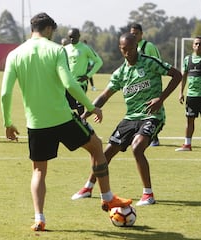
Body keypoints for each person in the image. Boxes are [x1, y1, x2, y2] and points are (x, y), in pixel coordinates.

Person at [0, 12, 132, 232]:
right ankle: (107, 198)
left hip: (36, 123)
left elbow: (5, 93)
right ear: (50, 29)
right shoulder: (56, 50)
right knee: (97, 147)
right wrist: (91, 107)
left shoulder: (15, 54)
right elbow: (69, 84)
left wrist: (8, 122)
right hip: (62, 119)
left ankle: (39, 218)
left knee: (39, 171)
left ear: (32, 28)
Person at [71, 33, 182, 206]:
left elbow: (177, 75)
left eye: (131, 49)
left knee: (137, 148)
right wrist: (87, 113)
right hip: (130, 118)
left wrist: (161, 98)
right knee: (105, 153)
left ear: (136, 46)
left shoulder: (150, 62)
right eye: (125, 49)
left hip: (152, 116)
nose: (129, 52)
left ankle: (148, 194)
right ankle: (88, 187)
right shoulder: (120, 73)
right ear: (120, 49)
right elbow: (104, 95)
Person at [130, 23, 162, 147]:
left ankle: (154, 137)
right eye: (132, 33)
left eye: (136, 33)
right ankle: (139, 134)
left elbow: (158, 63)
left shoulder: (148, 46)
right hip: (137, 85)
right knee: (137, 110)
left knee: (151, 110)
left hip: (150, 85)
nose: (133, 35)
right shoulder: (130, 47)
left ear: (141, 34)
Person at [64, 28, 103, 115]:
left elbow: (99, 62)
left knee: (80, 106)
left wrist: (88, 75)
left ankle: (83, 123)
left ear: (79, 36)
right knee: (66, 107)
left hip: (80, 84)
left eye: (74, 37)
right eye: (70, 37)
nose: (72, 39)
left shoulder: (85, 48)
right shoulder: (65, 49)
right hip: (68, 84)